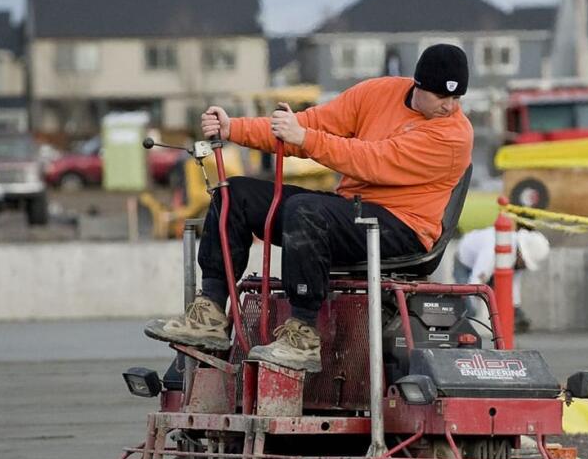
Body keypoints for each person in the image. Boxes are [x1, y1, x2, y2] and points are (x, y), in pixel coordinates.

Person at [144, 44, 474, 372]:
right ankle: (211, 313)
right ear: (418, 84)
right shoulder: (378, 92)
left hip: (402, 228)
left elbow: (371, 161)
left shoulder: (454, 136)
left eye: (456, 99)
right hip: (353, 210)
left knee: (305, 210)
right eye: (441, 97)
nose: (449, 106)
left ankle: (302, 334)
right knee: (234, 195)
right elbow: (314, 123)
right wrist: (235, 129)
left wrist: (304, 138)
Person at [452, 226, 550, 331]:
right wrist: (481, 319)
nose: (523, 267)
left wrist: (514, 308)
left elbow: (513, 284)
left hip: (490, 268)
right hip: (464, 263)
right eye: (525, 263)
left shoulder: (516, 256)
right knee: (469, 308)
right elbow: (475, 284)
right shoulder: (492, 250)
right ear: (521, 253)